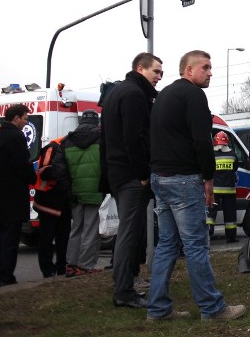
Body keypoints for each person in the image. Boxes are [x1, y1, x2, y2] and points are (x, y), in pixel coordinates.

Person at [147, 50, 246, 322]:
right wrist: (208, 178)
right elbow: (202, 140)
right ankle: (212, 309)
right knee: (196, 245)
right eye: (205, 67)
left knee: (167, 244)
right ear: (188, 70)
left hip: (160, 177)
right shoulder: (193, 95)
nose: (210, 72)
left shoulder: (164, 95)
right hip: (183, 179)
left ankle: (158, 309)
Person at [100, 52, 162, 308]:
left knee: (128, 231)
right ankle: (124, 290)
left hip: (117, 173)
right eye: (155, 71)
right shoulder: (135, 95)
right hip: (131, 175)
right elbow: (134, 137)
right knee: (129, 232)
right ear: (140, 68)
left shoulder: (115, 93)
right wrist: (143, 174)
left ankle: (124, 282)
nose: (159, 77)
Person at [0, 104, 37, 288]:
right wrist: (32, 177)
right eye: (25, 118)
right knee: (10, 240)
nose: (26, 122)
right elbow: (21, 165)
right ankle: (6, 276)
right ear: (16, 118)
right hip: (12, 197)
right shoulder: (16, 137)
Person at [64, 109, 105, 276]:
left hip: (75, 192)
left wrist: (68, 190)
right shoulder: (102, 139)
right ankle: (86, 266)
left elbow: (61, 169)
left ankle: (71, 264)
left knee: (76, 229)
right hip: (95, 190)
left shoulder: (67, 141)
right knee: (91, 230)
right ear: (96, 122)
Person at [32, 135, 72, 278]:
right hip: (48, 202)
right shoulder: (52, 148)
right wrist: (65, 172)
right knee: (47, 238)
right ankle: (47, 270)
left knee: (63, 237)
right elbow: (44, 171)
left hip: (64, 202)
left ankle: (62, 267)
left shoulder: (66, 147)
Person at [207, 131, 238, 243]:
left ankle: (209, 231)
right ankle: (231, 237)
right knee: (230, 214)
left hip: (215, 191)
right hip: (229, 191)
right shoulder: (232, 154)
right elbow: (235, 168)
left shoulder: (211, 155)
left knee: (211, 212)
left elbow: (208, 170)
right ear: (226, 143)